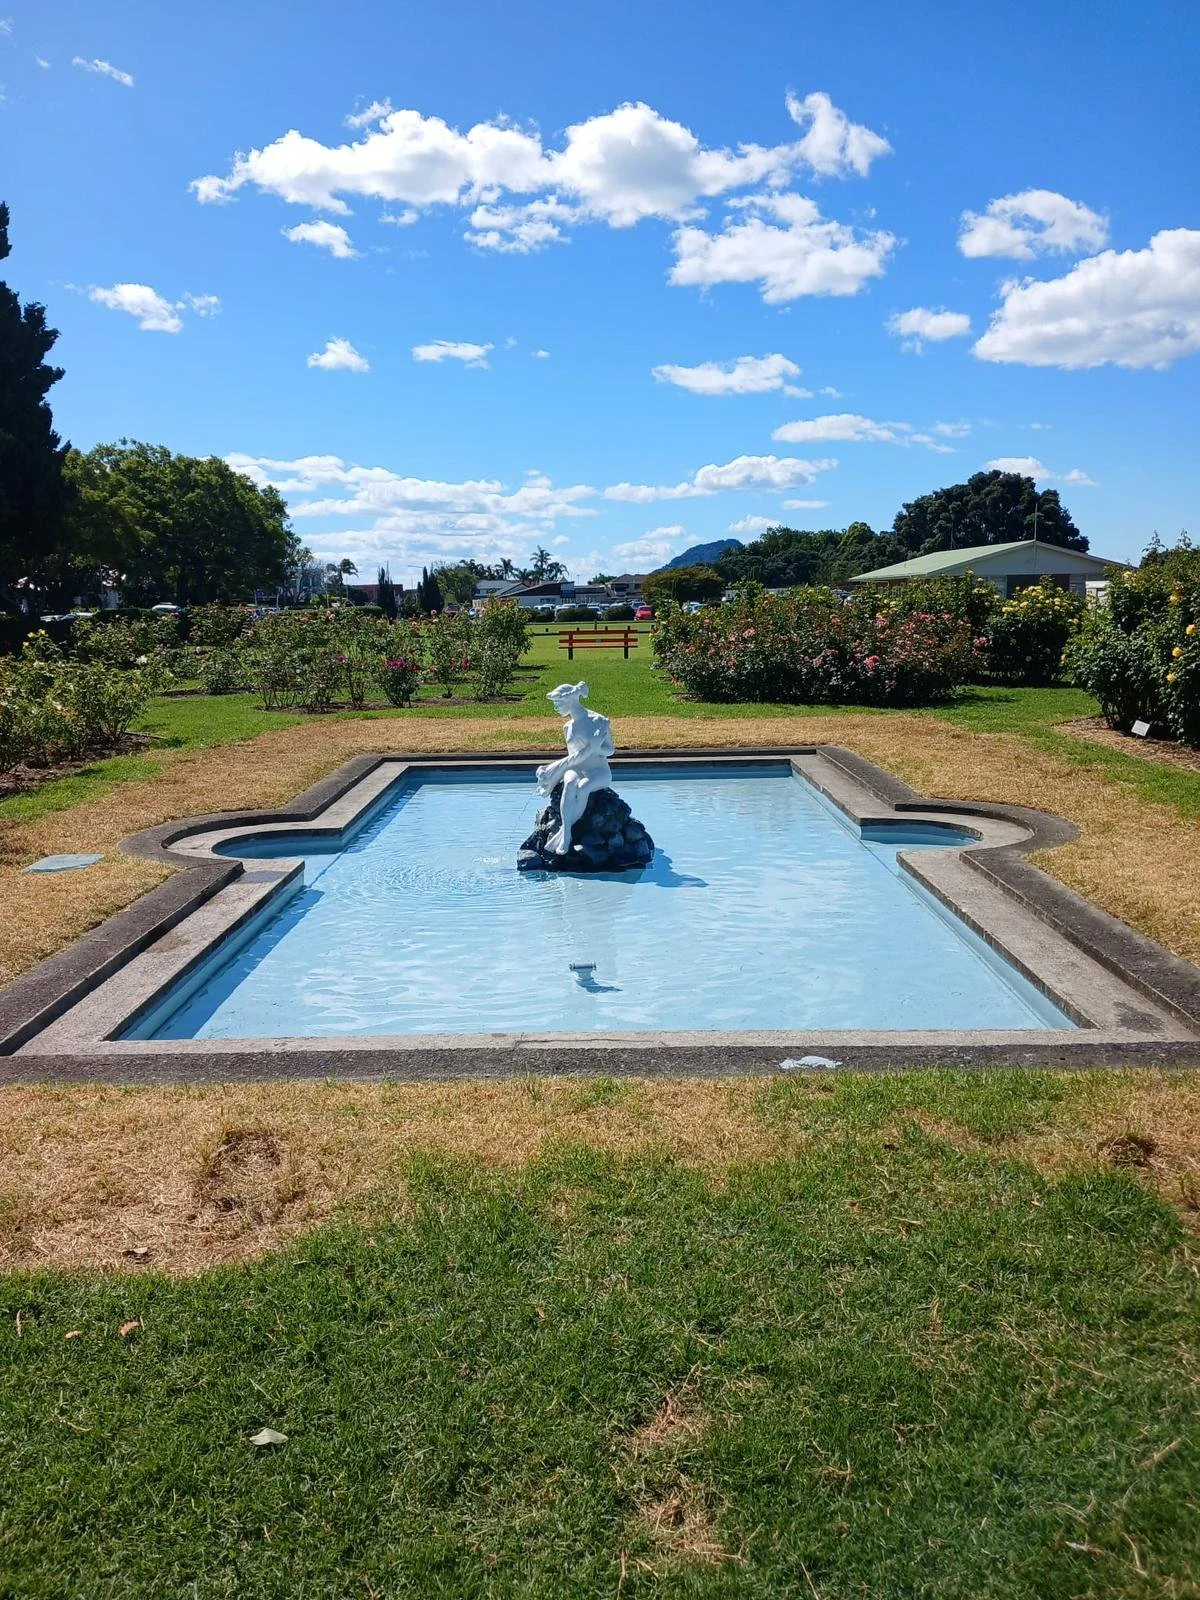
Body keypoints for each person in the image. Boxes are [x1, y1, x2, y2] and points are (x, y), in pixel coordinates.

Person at [535, 681, 615, 854]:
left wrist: (596, 748)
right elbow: (574, 757)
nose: (556, 707)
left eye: (558, 703)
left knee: (583, 787)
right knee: (570, 784)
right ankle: (567, 834)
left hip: (598, 771)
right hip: (577, 768)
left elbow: (610, 750)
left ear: (570, 700)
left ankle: (565, 833)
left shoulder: (598, 721)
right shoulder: (567, 727)